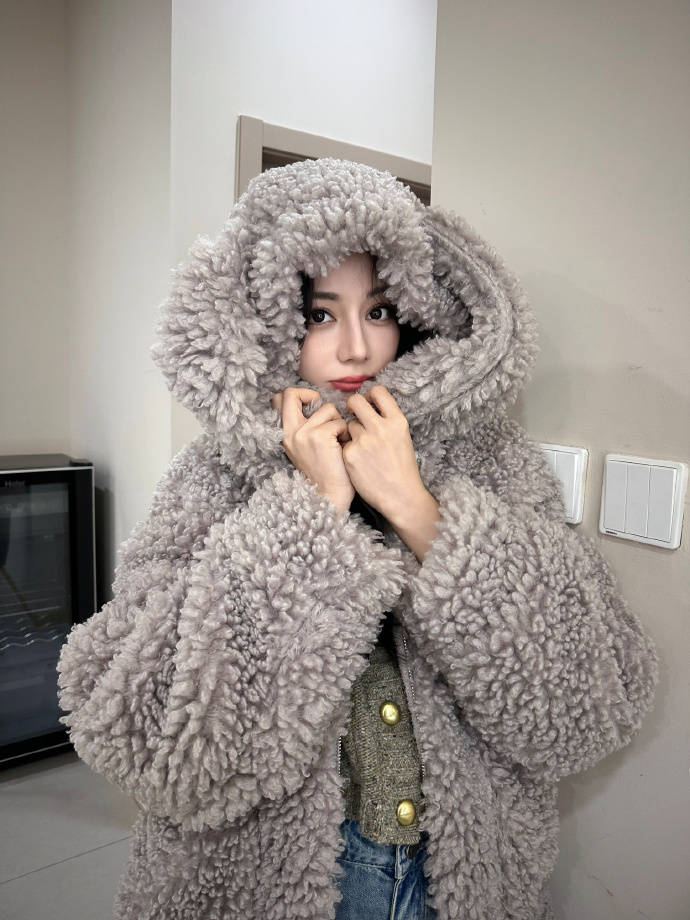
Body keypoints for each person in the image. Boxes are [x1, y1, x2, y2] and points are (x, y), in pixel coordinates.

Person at [56, 157, 660, 920]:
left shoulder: (489, 459)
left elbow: (589, 706)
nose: (355, 350)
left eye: (378, 311)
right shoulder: (211, 478)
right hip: (276, 889)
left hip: (460, 884)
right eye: (319, 315)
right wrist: (310, 516)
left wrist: (417, 509)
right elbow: (146, 739)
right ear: (268, 321)